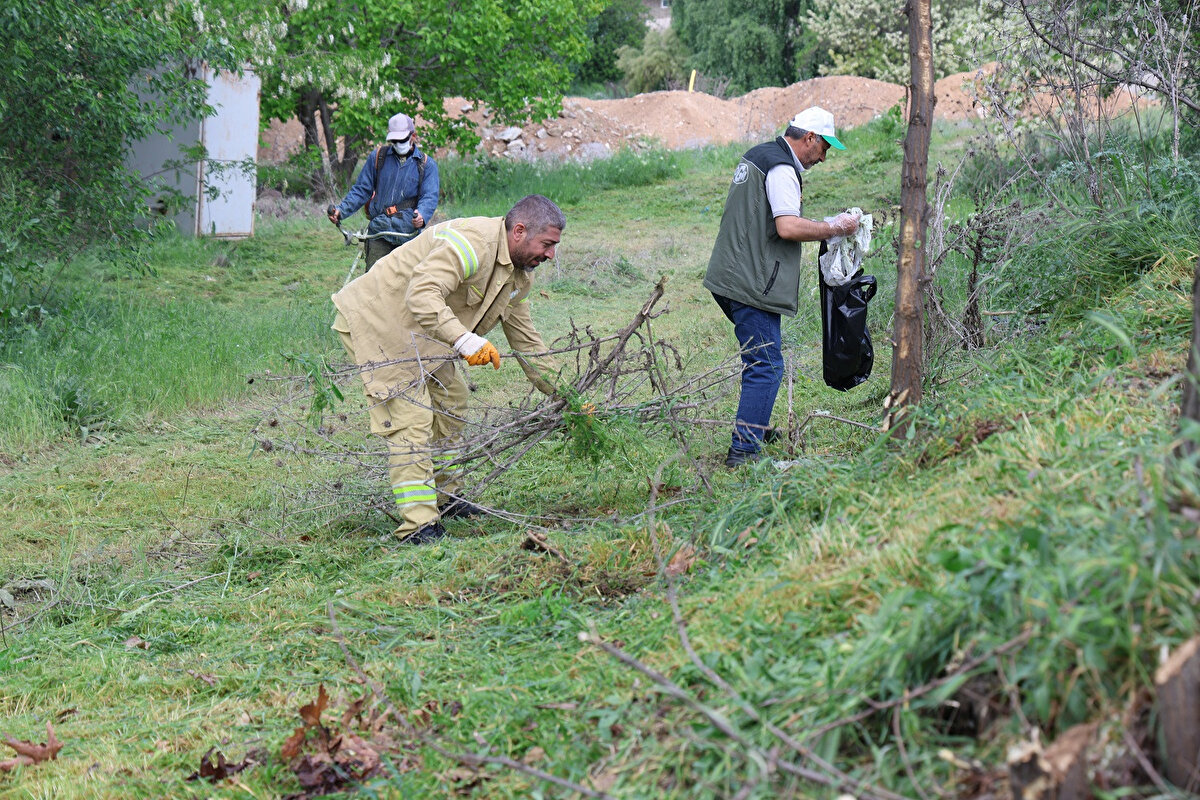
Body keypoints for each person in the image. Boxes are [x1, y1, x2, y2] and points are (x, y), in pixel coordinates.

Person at [331, 195, 563, 544]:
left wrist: (567, 393)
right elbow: (423, 295)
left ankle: (448, 499)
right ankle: (420, 527)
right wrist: (466, 342)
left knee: (451, 403)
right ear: (519, 231)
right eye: (546, 244)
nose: (550, 255)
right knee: (412, 420)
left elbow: (529, 344)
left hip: (427, 334)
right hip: (380, 324)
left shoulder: (518, 277)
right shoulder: (472, 244)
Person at [704, 106, 862, 468]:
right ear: (808, 138)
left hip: (730, 274)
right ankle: (744, 451)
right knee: (767, 364)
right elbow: (788, 227)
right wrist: (835, 227)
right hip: (750, 281)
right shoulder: (782, 168)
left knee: (761, 359)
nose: (824, 157)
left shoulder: (759, 154)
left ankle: (754, 429)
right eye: (824, 147)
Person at [327, 112, 440, 270]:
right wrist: (341, 211)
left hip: (408, 233)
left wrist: (422, 215)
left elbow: (429, 197)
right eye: (394, 140)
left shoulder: (427, 165)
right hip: (379, 230)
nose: (398, 143)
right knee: (373, 281)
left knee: (406, 283)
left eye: (401, 140)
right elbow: (361, 190)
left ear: (413, 136)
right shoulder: (378, 157)